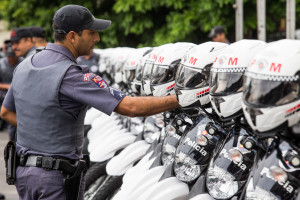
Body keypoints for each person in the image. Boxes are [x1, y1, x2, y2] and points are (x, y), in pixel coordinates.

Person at [0, 5, 179, 200]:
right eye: (91, 32)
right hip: (54, 178)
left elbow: (5, 113)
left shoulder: (24, 65)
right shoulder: (71, 75)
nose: (97, 38)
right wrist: (180, 99)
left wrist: (42, 132)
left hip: (24, 174)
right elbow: (131, 107)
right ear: (72, 36)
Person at [0, 40, 22, 140]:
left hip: (20, 94)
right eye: (9, 56)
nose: (11, 58)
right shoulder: (1, 64)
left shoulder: (22, 63)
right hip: (4, 94)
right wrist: (8, 86)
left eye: (13, 56)